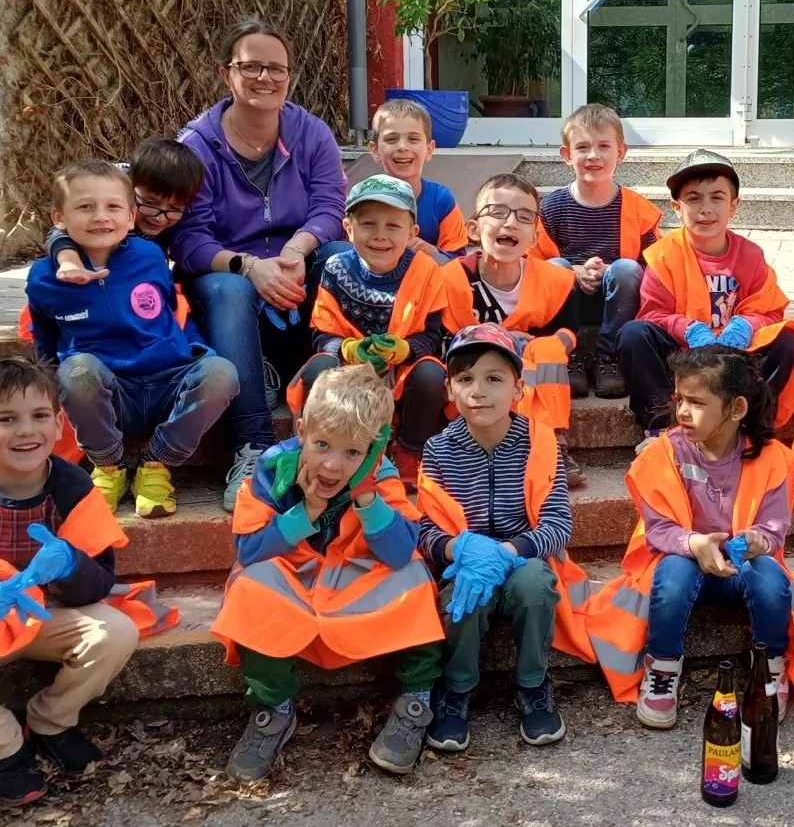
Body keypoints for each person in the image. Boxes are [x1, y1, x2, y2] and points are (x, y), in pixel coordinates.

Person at [0, 358, 175, 807]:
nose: (26, 430)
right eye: (6, 419)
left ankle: (50, 721)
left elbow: (99, 583)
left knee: (116, 630)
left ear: (59, 425)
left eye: (39, 415)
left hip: (49, 615)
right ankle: (0, 748)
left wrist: (69, 565)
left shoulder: (75, 488)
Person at [584, 346, 794, 729]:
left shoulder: (774, 458)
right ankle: (663, 669)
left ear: (737, 409)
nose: (683, 412)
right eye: (680, 400)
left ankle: (770, 669)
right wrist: (695, 544)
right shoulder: (663, 454)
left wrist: (757, 540)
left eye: (697, 402)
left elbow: (773, 528)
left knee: (771, 579)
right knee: (673, 574)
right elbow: (658, 529)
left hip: (741, 568)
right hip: (685, 564)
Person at [212, 366, 446, 781]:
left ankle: (416, 700)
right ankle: (274, 708)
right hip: (294, 579)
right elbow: (248, 549)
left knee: (416, 579)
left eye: (353, 452)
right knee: (248, 588)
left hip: (356, 581)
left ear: (373, 448)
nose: (333, 466)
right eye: (321, 445)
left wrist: (366, 495)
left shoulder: (380, 474)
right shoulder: (272, 469)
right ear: (302, 431)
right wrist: (308, 511)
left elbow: (398, 552)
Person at [173, 18, 353, 511]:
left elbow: (330, 207)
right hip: (229, 270)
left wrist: (295, 250)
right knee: (229, 290)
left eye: (276, 68)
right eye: (251, 66)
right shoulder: (197, 145)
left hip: (296, 259)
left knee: (341, 258)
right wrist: (250, 266)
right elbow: (188, 238)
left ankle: (335, 410)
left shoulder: (310, 132)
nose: (265, 78)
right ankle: (251, 444)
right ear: (226, 73)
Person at [416, 325, 595, 751]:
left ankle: (532, 682)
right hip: (466, 561)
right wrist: (458, 548)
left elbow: (558, 525)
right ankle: (456, 687)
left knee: (536, 584)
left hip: (522, 558)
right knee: (463, 593)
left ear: (518, 388)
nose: (479, 391)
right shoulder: (438, 449)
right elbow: (426, 529)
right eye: (465, 379)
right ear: (450, 390)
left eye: (494, 378)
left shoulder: (540, 441)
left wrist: (508, 551)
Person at [27, 161, 239, 519]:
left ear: (130, 217)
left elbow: (168, 311)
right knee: (75, 371)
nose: (100, 217)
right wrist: (49, 388)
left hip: (168, 380)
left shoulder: (150, 256)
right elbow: (45, 338)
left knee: (221, 372)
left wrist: (192, 350)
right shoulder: (44, 277)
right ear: (58, 218)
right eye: (85, 207)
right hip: (109, 392)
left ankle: (156, 465)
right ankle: (109, 467)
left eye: (112, 207)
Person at [617, 150, 794, 441]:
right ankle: (661, 426)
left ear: (734, 206)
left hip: (733, 354)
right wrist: (688, 328)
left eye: (717, 198)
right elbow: (652, 315)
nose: (705, 209)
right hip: (682, 356)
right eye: (694, 199)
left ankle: (752, 426)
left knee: (786, 338)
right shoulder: (663, 255)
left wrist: (746, 324)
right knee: (633, 334)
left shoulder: (752, 256)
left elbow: (770, 311)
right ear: (677, 207)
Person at [285, 175, 448, 483]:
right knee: (318, 367)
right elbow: (322, 331)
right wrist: (347, 349)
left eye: (393, 226)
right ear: (349, 229)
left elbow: (432, 335)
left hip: (401, 369)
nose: (380, 235)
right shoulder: (336, 267)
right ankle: (313, 448)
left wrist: (404, 349)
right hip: (349, 368)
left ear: (412, 233)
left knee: (431, 374)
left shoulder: (426, 269)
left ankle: (410, 451)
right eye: (368, 224)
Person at [437, 174, 586, 487]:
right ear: (474, 229)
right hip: (472, 377)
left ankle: (551, 441)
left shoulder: (555, 281)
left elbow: (569, 331)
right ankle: (487, 448)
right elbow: (440, 338)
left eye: (524, 216)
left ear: (534, 237)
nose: (511, 222)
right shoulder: (449, 280)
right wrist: (498, 338)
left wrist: (543, 343)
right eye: (498, 212)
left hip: (530, 375)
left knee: (547, 350)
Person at [532, 103, 664, 398]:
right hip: (568, 301)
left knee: (627, 268)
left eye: (604, 146)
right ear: (567, 155)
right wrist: (575, 271)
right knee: (554, 266)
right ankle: (569, 355)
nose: (593, 155)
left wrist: (608, 271)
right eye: (582, 147)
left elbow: (657, 268)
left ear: (621, 152)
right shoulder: (550, 208)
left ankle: (610, 357)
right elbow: (530, 264)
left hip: (619, 302)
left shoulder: (639, 209)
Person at [45, 139, 207, 284]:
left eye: (175, 208)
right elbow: (60, 231)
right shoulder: (111, 192)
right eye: (150, 203)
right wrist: (70, 261)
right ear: (130, 188)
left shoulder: (183, 212)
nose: (160, 218)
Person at [370, 98, 468, 263]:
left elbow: (459, 260)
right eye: (391, 139)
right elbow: (350, 250)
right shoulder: (363, 199)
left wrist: (432, 251)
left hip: (426, 274)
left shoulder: (441, 200)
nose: (402, 147)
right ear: (375, 150)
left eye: (413, 139)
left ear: (429, 149)